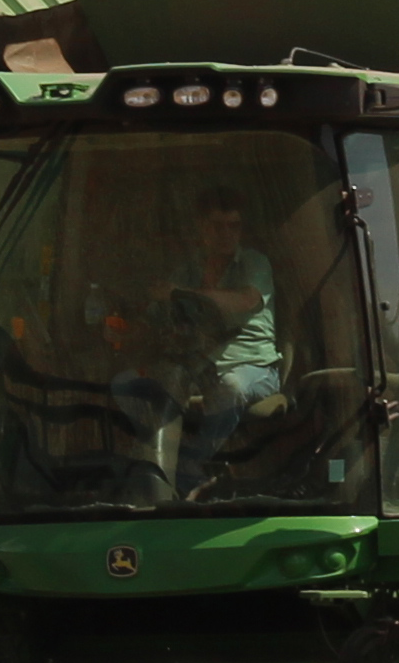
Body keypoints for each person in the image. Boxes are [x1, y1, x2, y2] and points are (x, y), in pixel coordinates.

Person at [110, 182, 283, 490]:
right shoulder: (186, 271)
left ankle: (191, 466)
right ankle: (155, 455)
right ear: (201, 229)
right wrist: (120, 328)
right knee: (125, 383)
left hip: (252, 368)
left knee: (230, 387)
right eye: (218, 227)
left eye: (234, 226)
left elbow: (246, 300)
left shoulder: (253, 263)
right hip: (196, 369)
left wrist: (180, 294)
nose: (227, 234)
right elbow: (152, 319)